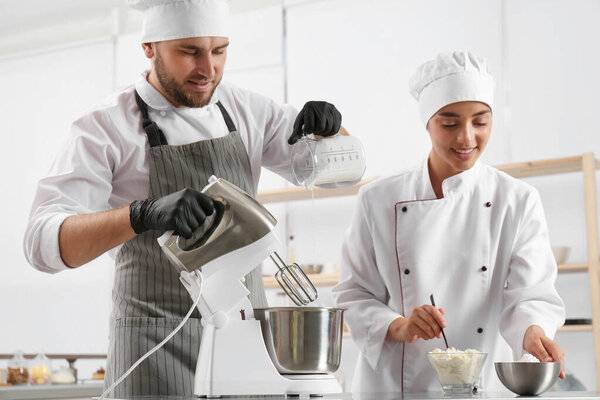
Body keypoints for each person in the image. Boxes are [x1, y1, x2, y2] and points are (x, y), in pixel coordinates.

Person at [23, 0, 344, 396]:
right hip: (152, 347)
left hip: (244, 344)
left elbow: (332, 174)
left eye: (219, 50)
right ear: (149, 48)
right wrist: (140, 215)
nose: (208, 70)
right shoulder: (103, 127)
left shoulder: (247, 109)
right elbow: (41, 245)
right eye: (189, 51)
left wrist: (331, 133)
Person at [332, 51, 566, 393]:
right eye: (450, 123)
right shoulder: (379, 198)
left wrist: (534, 331)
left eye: (481, 122)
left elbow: (531, 293)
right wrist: (400, 326)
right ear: (427, 123)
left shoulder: (517, 200)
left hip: (480, 384)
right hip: (392, 388)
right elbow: (353, 294)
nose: (466, 138)